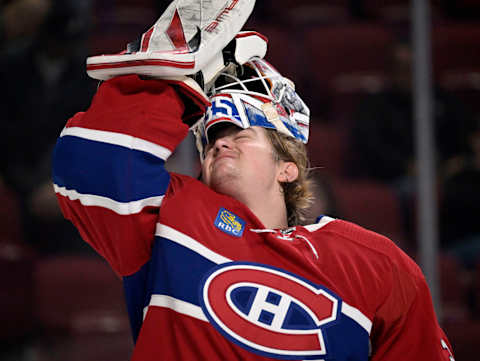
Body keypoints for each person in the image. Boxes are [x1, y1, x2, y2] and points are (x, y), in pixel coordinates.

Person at [52, 1, 455, 360]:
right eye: (212, 139)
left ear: (288, 168)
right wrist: (170, 74)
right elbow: (90, 165)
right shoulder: (172, 217)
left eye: (240, 134)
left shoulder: (374, 262)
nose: (220, 144)